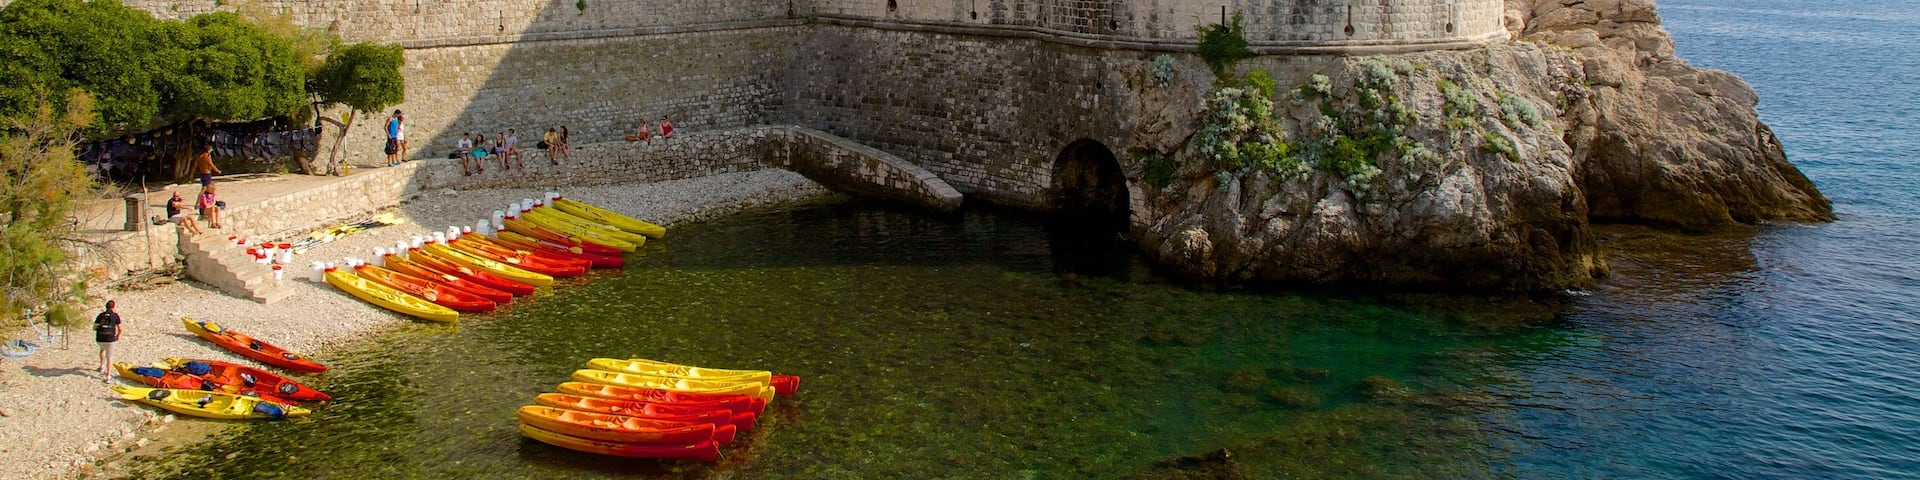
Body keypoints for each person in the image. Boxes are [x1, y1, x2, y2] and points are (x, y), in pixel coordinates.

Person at [95, 300, 122, 384]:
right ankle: (108, 376)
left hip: (100, 339)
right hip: (110, 339)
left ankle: (101, 366)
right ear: (113, 307)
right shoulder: (115, 316)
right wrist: (118, 336)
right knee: (109, 357)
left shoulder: (100, 315)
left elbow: (94, 327)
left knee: (102, 350)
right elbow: (120, 329)